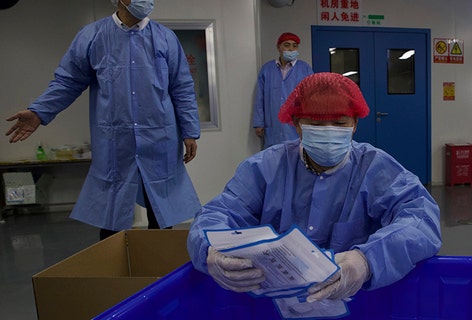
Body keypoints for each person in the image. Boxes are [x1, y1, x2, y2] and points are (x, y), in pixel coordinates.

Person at [188, 72, 441, 302]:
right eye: (316, 125)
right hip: (274, 305)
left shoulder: (375, 168)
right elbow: (217, 213)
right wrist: (211, 251)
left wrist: (366, 260)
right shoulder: (265, 168)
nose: (328, 133)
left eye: (340, 123)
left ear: (355, 124)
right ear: (296, 124)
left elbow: (421, 219)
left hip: (357, 303)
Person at [5, 0, 201, 240]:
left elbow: (182, 87)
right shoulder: (92, 36)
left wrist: (190, 131)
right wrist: (39, 112)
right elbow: (68, 81)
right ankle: (113, 271)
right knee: (112, 216)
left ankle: (157, 272)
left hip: (160, 139)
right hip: (115, 143)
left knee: (161, 212)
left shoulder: (166, 38)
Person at [252, 32, 314, 149]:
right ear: (278, 47)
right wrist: (258, 123)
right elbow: (260, 98)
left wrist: (311, 122)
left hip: (296, 124)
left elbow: (312, 97)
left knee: (296, 155)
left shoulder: (305, 69)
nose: (291, 49)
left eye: (294, 46)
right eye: (287, 45)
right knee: (273, 158)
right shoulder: (267, 69)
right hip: (273, 124)